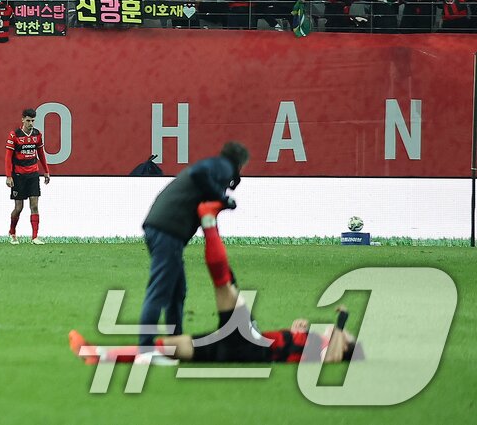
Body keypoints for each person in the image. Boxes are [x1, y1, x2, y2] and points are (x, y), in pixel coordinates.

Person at [72, 203, 356, 364]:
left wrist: (341, 323)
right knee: (167, 347)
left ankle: (209, 222)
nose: (339, 331)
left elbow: (329, 359)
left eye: (347, 337)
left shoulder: (327, 350)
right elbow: (295, 347)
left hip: (251, 343)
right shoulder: (316, 343)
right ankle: (95, 353)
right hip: (241, 347)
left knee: (225, 283)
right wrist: (299, 330)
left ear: (344, 346)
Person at [138, 141, 251, 345]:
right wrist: (221, 198)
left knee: (176, 290)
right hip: (167, 230)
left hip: (160, 227)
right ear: (239, 163)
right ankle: (145, 347)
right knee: (160, 291)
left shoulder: (215, 167)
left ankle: (175, 340)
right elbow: (198, 174)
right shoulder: (222, 167)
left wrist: (222, 200)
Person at [5, 108, 50, 245]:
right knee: (19, 207)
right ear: (23, 119)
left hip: (33, 174)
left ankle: (34, 237)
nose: (31, 123)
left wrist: (46, 171)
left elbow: (41, 153)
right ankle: (12, 232)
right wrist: (9, 176)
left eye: (33, 121)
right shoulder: (15, 135)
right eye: (28, 120)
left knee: (34, 206)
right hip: (18, 175)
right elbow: (8, 157)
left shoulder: (37, 134)